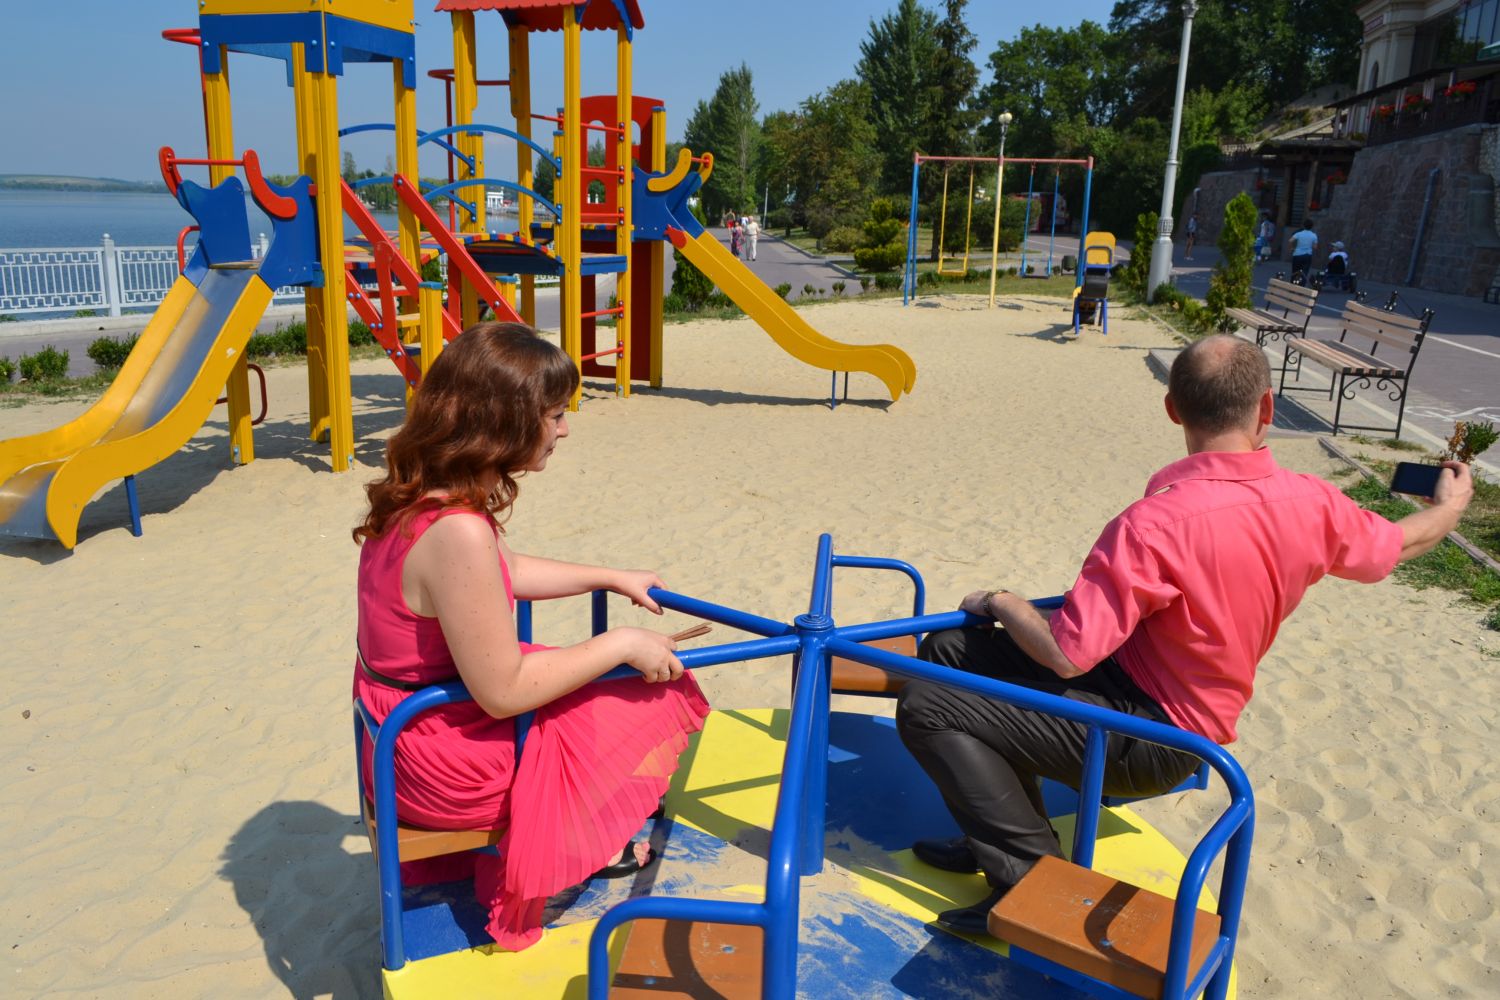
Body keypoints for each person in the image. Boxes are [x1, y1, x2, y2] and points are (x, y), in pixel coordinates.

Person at [895, 335, 1472, 934]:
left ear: (1173, 410)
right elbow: (1398, 544)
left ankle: (1030, 881)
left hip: (1153, 738)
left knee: (928, 704)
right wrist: (1450, 507)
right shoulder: (1312, 501)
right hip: (1151, 698)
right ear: (1266, 408)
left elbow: (1066, 654)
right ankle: (994, 835)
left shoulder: (1152, 524)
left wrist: (999, 599)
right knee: (949, 651)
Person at [352, 323, 710, 950]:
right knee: (650, 696)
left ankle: (574, 830)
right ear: (504, 423)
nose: (564, 430)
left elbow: (504, 571)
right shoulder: (458, 531)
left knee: (590, 683)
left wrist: (609, 576)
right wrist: (621, 643)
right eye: (555, 414)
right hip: (438, 754)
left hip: (395, 729)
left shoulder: (422, 500)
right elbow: (504, 692)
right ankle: (576, 847)